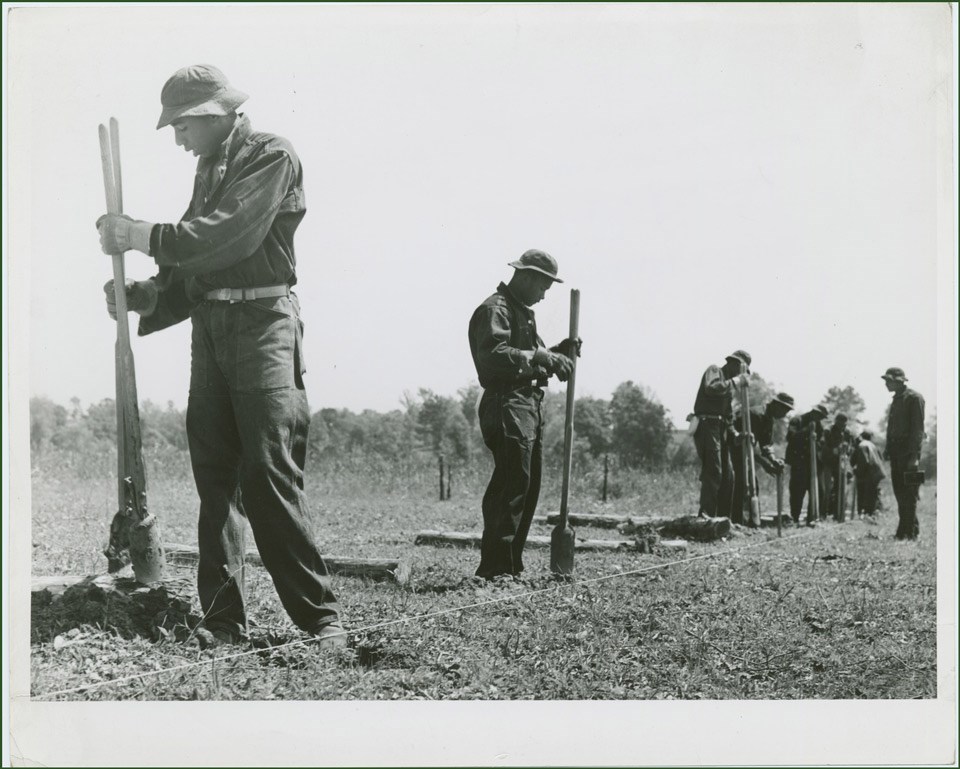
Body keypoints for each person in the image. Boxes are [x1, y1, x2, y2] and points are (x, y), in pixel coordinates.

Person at [96, 65, 345, 647]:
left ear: (212, 115)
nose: (179, 140)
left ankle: (321, 621)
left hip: (263, 327)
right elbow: (197, 266)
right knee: (216, 481)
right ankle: (225, 622)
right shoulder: (212, 166)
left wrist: (135, 234)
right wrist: (146, 295)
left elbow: (225, 237)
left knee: (267, 473)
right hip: (212, 328)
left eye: (181, 127)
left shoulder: (270, 155)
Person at [468, 249, 579, 580]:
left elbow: (534, 357)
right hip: (506, 404)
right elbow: (493, 355)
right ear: (527, 276)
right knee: (511, 484)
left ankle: (511, 567)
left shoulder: (521, 312)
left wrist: (560, 352)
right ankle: (495, 571)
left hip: (526, 405)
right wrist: (544, 357)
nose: (545, 295)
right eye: (543, 287)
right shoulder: (495, 309)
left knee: (527, 486)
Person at [690, 350, 751, 518]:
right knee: (714, 470)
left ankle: (724, 520)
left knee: (728, 476)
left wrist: (736, 434)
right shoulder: (715, 371)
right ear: (735, 364)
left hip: (720, 429)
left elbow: (728, 416)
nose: (742, 375)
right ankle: (706, 516)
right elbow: (711, 389)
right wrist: (737, 381)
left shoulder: (728, 387)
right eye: (742, 371)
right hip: (707, 425)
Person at [728, 391, 795, 525]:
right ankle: (736, 522)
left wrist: (773, 459)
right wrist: (764, 464)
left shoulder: (768, 419)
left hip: (746, 454)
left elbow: (765, 445)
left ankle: (752, 522)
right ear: (776, 404)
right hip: (732, 451)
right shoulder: (755, 415)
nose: (785, 414)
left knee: (753, 486)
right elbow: (745, 444)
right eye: (785, 409)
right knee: (740, 485)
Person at [882, 367, 926, 540]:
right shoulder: (896, 399)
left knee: (909, 494)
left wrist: (914, 457)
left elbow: (918, 430)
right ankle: (906, 530)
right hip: (895, 452)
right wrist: (887, 448)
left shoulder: (915, 398)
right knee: (900, 492)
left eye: (889, 380)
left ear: (899, 380)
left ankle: (908, 532)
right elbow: (891, 426)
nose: (886, 383)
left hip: (908, 453)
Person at [784, 404, 829, 525]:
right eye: (819, 415)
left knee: (819, 490)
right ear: (813, 412)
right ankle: (795, 518)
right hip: (799, 462)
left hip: (814, 463)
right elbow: (790, 437)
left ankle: (812, 518)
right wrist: (805, 432)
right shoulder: (797, 420)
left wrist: (817, 441)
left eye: (822, 417)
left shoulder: (819, 426)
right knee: (797, 491)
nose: (820, 418)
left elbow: (822, 442)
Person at [822, 413, 855, 520]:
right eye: (840, 424)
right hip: (828, 462)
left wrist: (847, 449)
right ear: (836, 422)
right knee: (826, 488)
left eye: (844, 424)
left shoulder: (847, 432)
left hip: (841, 463)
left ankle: (838, 514)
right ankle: (823, 513)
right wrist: (833, 451)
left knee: (840, 488)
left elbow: (851, 447)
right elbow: (822, 445)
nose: (842, 426)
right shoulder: (828, 430)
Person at [850, 430, 885, 518]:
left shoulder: (862, 445)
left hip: (869, 473)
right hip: (877, 472)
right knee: (872, 494)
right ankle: (871, 513)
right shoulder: (872, 445)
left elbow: (864, 461)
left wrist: (857, 472)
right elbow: (881, 458)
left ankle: (865, 514)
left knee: (864, 493)